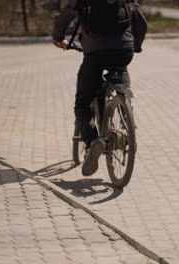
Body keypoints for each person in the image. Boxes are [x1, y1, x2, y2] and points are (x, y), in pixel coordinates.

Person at [52, 0, 147, 176]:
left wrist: (58, 38)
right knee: (120, 75)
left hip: (95, 53)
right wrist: (136, 45)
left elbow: (63, 17)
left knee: (82, 102)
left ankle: (92, 140)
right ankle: (124, 113)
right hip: (124, 51)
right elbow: (140, 21)